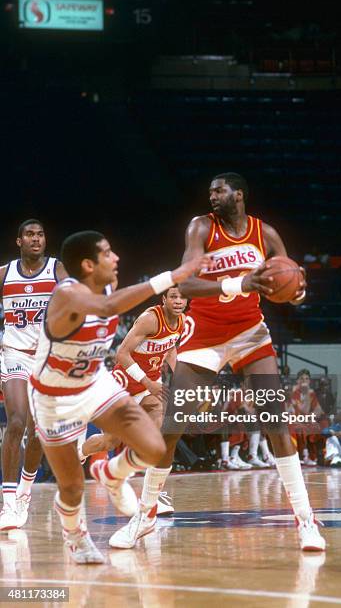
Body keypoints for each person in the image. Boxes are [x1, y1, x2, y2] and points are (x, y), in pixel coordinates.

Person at [106, 172, 326, 552]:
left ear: (239, 194)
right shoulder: (201, 228)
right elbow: (186, 284)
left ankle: (306, 521)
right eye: (210, 190)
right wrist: (238, 284)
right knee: (173, 428)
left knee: (275, 420)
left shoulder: (265, 234)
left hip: (249, 332)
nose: (212, 195)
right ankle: (145, 516)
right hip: (203, 333)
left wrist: (297, 293)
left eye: (220, 190)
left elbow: (290, 286)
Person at [28, 230, 210, 564]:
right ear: (87, 264)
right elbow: (109, 307)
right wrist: (174, 276)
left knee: (156, 446)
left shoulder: (111, 289)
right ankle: (76, 536)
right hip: (55, 397)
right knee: (70, 488)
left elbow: (117, 308)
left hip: (95, 383)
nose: (116, 258)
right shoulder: (68, 295)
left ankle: (112, 472)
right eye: (108, 253)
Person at [79, 286, 188, 515]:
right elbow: (121, 354)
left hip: (150, 388)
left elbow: (169, 349)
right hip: (124, 385)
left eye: (183, 297)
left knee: (159, 438)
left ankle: (153, 498)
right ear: (164, 299)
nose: (179, 301)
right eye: (174, 296)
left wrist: (179, 377)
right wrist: (148, 382)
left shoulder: (182, 322)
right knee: (109, 443)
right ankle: (79, 452)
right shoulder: (150, 319)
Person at [0, 219, 67, 530]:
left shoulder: (57, 270)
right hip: (13, 355)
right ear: (19, 241)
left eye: (40, 234)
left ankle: (25, 492)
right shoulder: (5, 273)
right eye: (29, 234)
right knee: (15, 423)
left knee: (39, 432)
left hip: (47, 359)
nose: (36, 239)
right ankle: (9, 502)